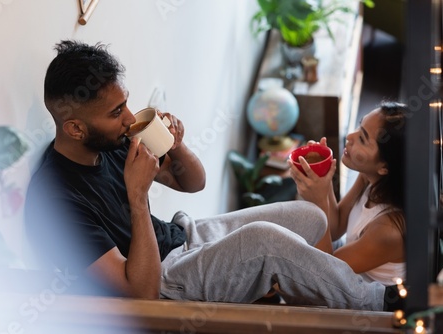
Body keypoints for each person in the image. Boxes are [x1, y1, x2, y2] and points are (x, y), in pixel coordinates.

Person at [24, 40, 397, 311]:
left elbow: (192, 183)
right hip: (166, 276)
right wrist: (137, 199)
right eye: (116, 111)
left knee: (311, 218)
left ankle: (313, 294)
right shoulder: (56, 200)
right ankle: (379, 303)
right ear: (74, 128)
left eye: (125, 103)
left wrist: (177, 146)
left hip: (183, 236)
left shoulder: (111, 141)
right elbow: (141, 293)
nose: (128, 118)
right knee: (266, 242)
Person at [288, 101, 407, 286]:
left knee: (277, 243)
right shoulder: (370, 177)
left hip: (359, 298)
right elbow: (335, 229)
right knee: (288, 228)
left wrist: (319, 200)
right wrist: (322, 175)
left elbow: (324, 272)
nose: (350, 136)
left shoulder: (389, 230)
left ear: (384, 167)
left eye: (362, 138)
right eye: (360, 127)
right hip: (338, 265)